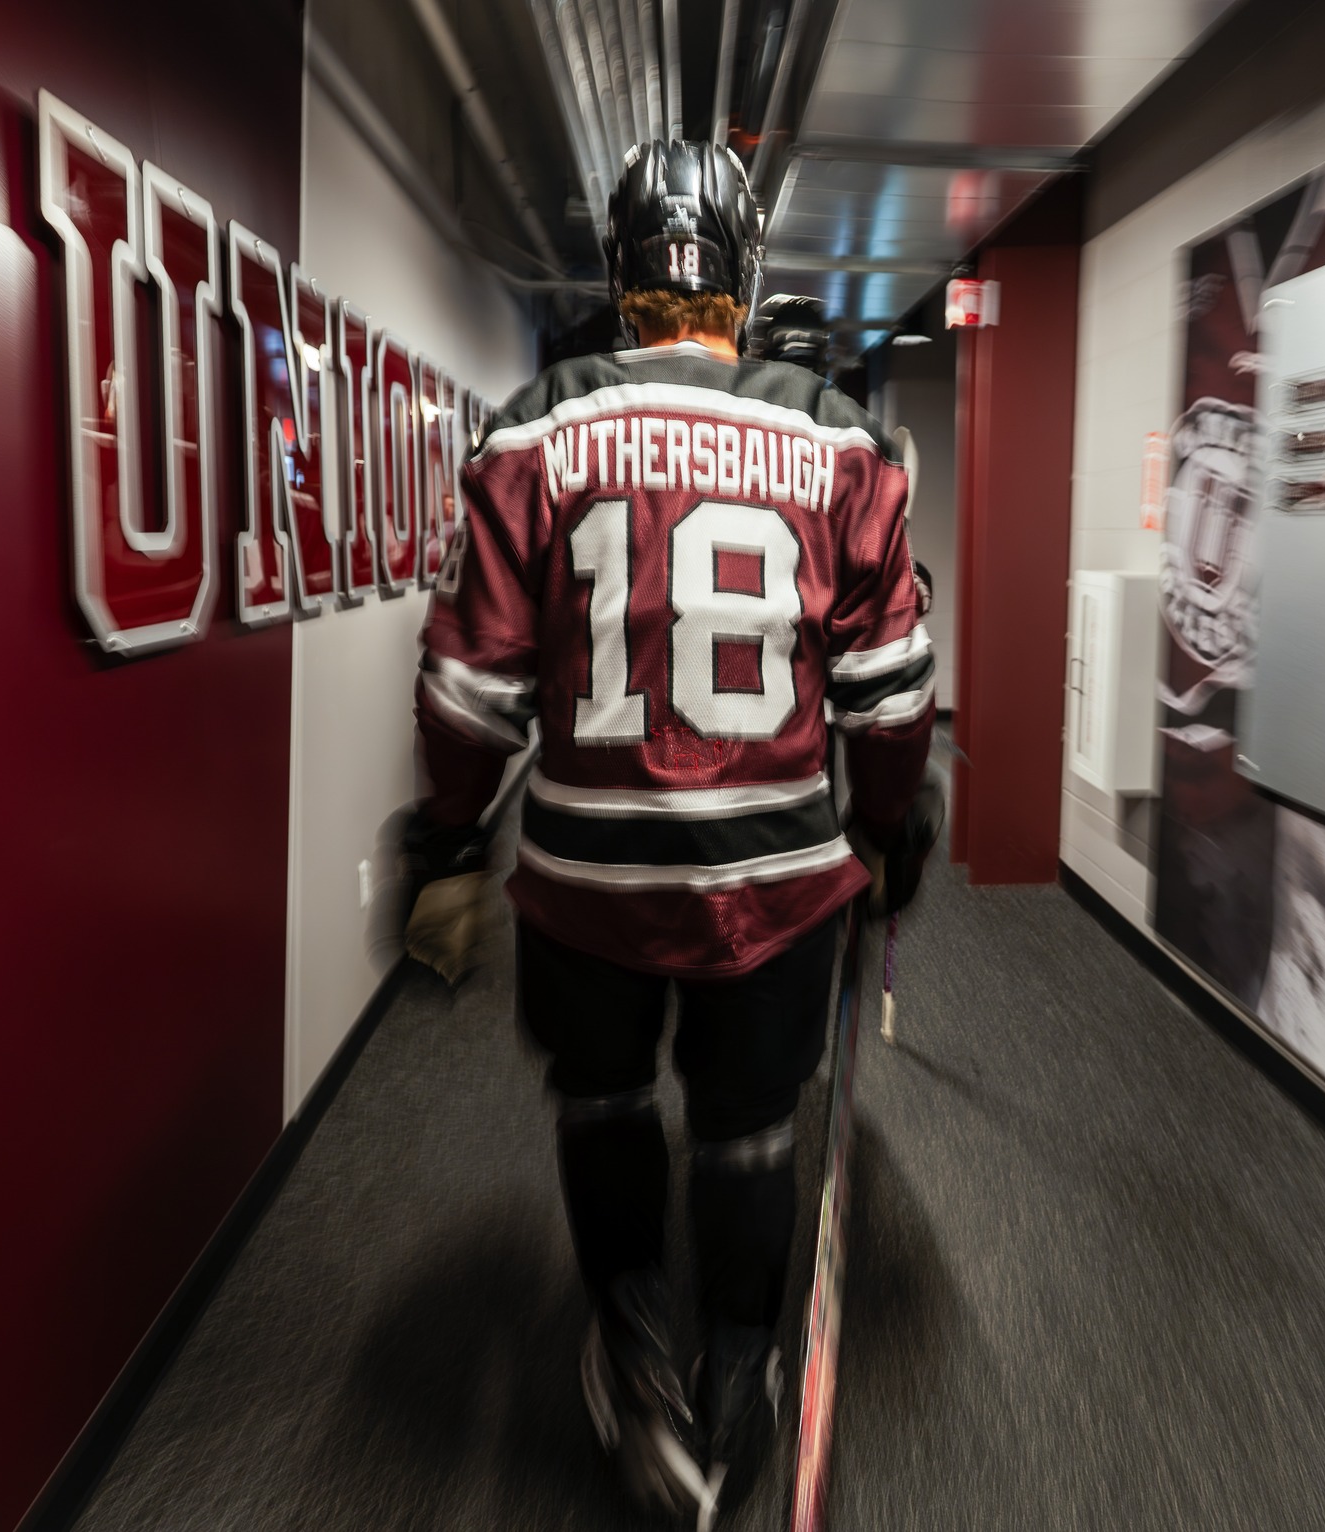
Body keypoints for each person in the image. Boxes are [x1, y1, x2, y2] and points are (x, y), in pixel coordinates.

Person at [401, 139, 941, 1522]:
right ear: (741, 276)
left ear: (621, 271)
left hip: (586, 874)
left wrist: (450, 845)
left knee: (604, 1099)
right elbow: (890, 696)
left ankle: (634, 1352)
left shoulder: (534, 429)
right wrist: (891, 828)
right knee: (749, 1125)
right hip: (772, 875)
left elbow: (466, 690)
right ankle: (739, 1363)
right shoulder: (839, 440)